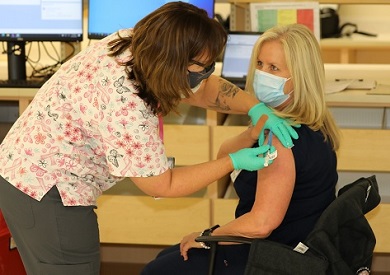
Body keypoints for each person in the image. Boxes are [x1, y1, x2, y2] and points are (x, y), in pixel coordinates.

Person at [0, 2, 299, 275]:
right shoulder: (127, 106)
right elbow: (162, 183)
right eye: (201, 67)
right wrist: (231, 161)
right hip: (45, 188)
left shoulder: (136, 42)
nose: (207, 74)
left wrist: (254, 107)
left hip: (26, 166)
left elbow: (202, 87)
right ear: (173, 65)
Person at [141, 23, 341, 275]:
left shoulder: (281, 138)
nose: (262, 74)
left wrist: (206, 236)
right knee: (167, 258)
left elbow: (261, 224)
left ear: (299, 78)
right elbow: (223, 157)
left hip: (270, 256)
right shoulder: (313, 125)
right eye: (259, 64)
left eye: (274, 68)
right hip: (291, 247)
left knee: (156, 271)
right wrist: (251, 133)